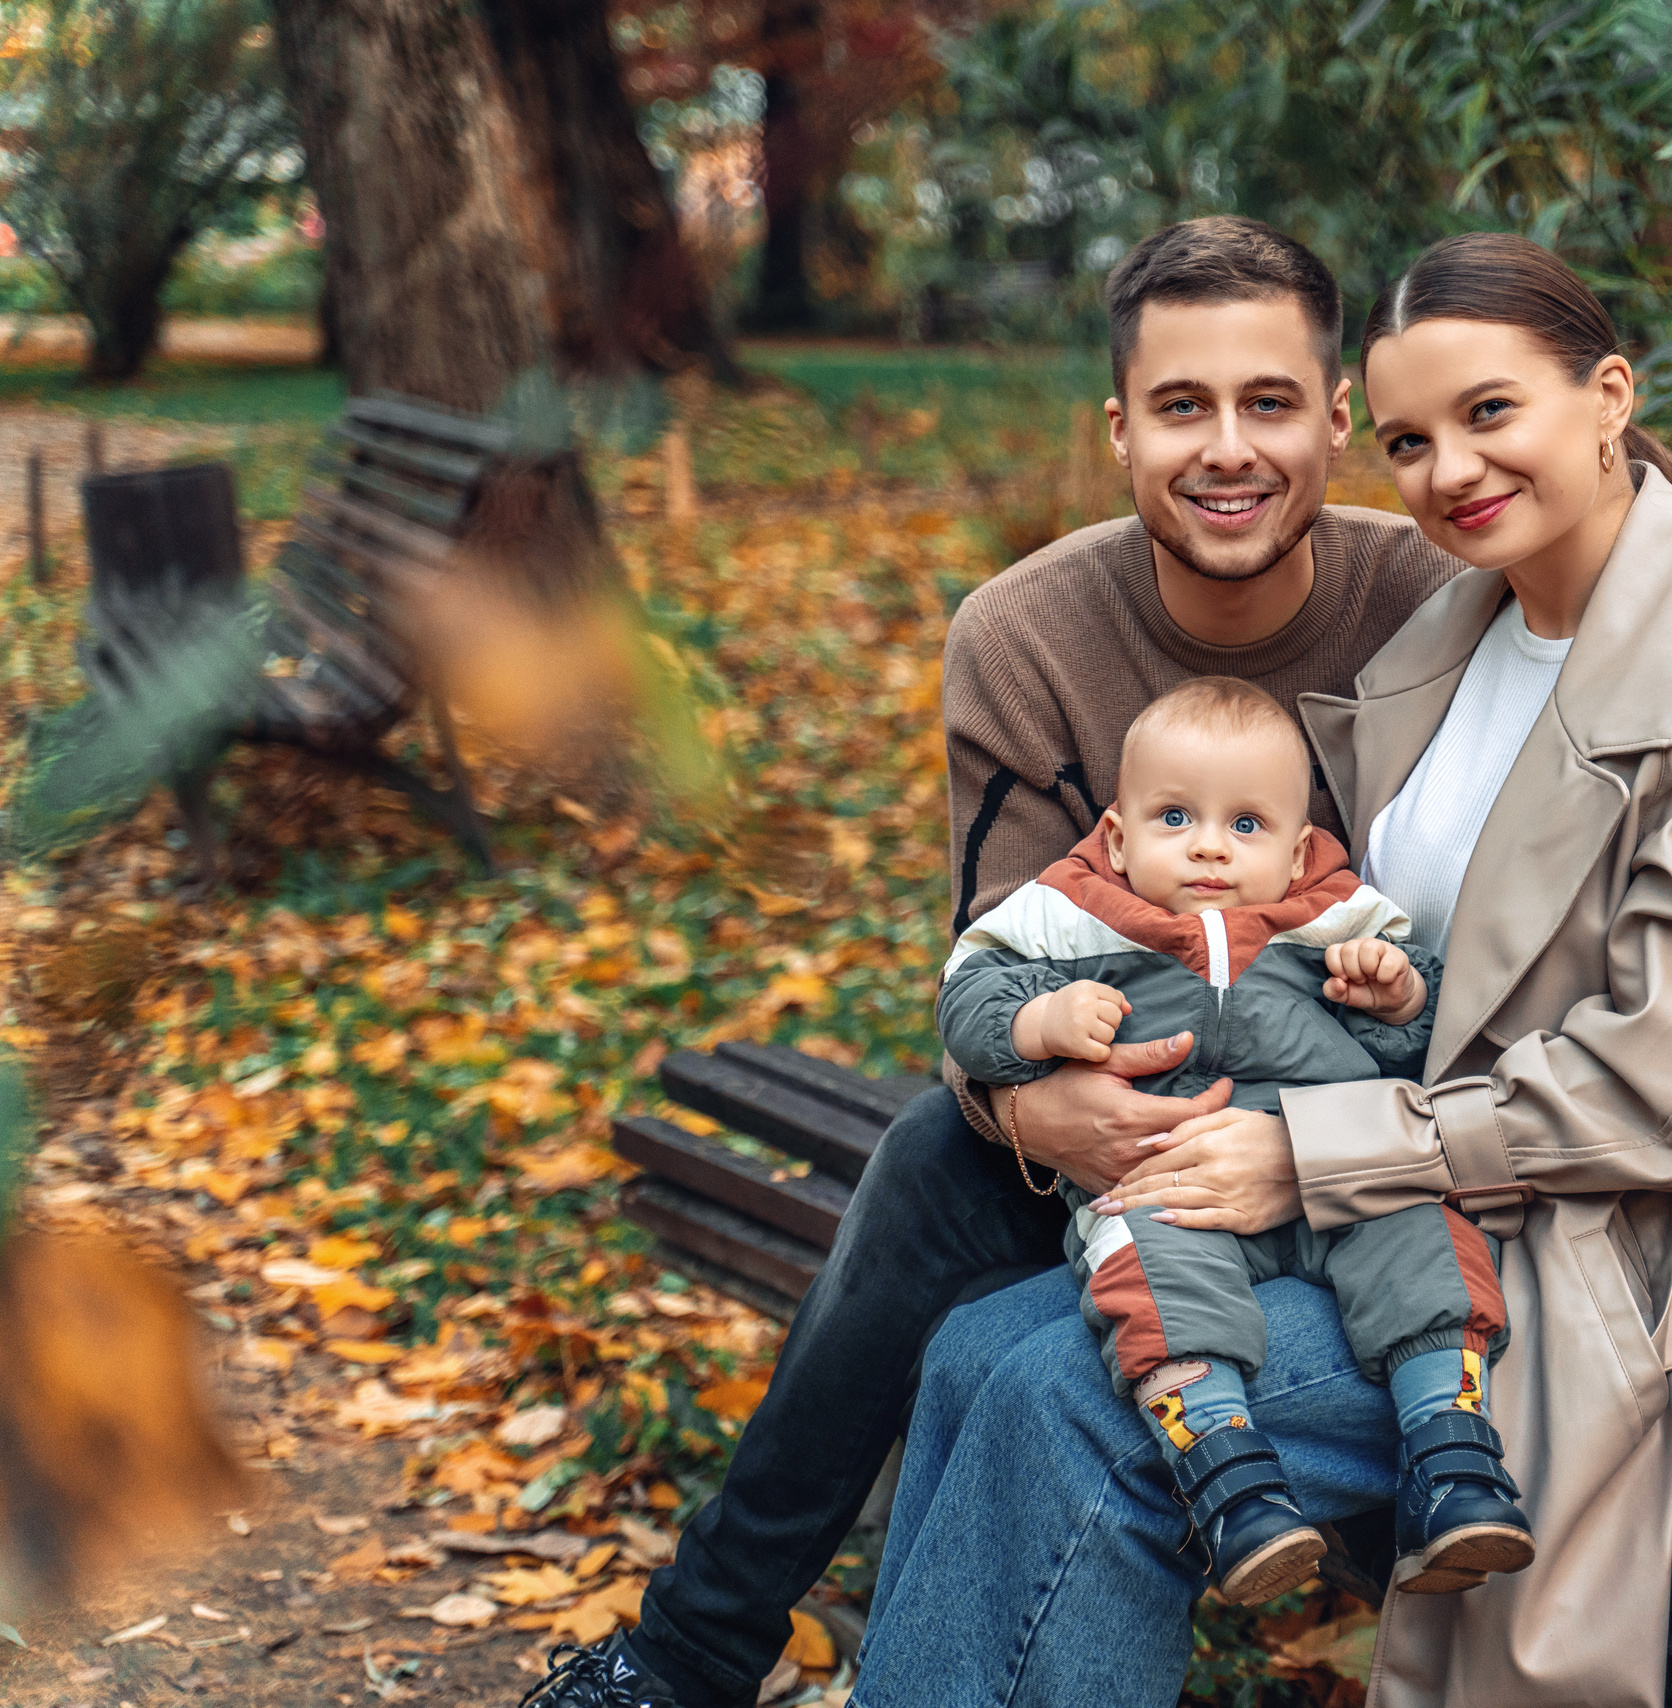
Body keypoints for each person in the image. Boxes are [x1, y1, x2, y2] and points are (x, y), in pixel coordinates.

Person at [851, 231, 1672, 1707]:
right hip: (1385, 1184)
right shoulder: (1464, 626)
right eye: (1417, 439)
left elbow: (1659, 1097)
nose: (1450, 472)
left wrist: (1308, 1154)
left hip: (1576, 1246)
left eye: (1491, 414)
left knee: (1069, 1406)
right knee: (977, 1352)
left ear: (1608, 397)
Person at [520, 218, 1461, 1708]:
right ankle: (693, 1654)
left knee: (1017, 1365)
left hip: (1354, 1134)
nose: (1231, 449)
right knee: (932, 1163)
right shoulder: (1027, 634)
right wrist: (1028, 1108)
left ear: (1338, 420)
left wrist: (1305, 1126)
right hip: (1126, 1122)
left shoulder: (1433, 602)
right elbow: (994, 970)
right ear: (1118, 431)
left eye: (1271, 403)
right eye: (1182, 406)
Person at [939, 675, 1529, 1607]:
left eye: (1245, 826)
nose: (1210, 845)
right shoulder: (1072, 914)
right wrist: (1039, 1021)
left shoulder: (1334, 920)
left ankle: (1451, 1456)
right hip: (1170, 1184)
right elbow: (967, 997)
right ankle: (1230, 1480)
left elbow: (1417, 1044)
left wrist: (1397, 995)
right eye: (1175, 817)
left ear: (1299, 853)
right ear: (1120, 835)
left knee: (1421, 1237)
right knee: (1151, 1273)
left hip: (1341, 1175)